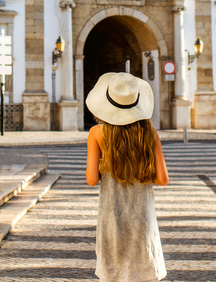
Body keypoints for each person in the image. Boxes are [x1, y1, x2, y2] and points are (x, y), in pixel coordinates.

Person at [86, 72, 169, 282]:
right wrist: (140, 170)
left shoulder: (97, 133)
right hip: (142, 217)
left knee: (113, 273)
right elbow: (162, 179)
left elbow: (91, 179)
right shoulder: (149, 133)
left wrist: (110, 165)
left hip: (111, 216)